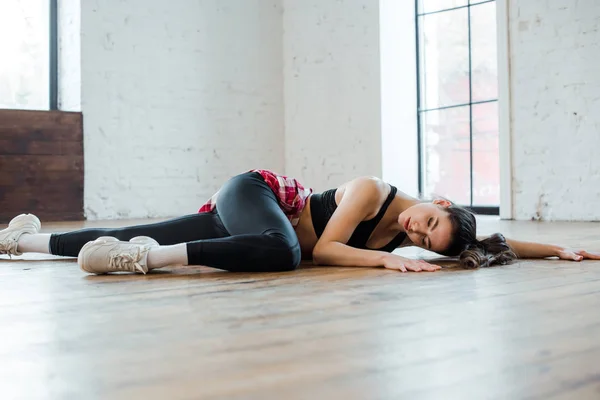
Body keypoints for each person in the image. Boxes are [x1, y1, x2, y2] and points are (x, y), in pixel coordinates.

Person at [1, 169, 598, 274]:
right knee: (286, 252)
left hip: (253, 234)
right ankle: (143, 264)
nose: (415, 235)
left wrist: (562, 249)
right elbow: (329, 250)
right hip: (253, 193)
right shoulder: (371, 191)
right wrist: (388, 258)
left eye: (424, 243)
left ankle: (21, 239)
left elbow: (494, 240)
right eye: (424, 225)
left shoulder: (436, 231)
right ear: (439, 200)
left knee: (155, 227)